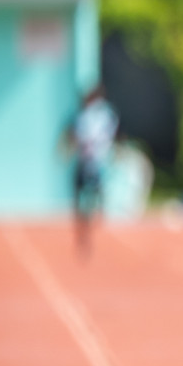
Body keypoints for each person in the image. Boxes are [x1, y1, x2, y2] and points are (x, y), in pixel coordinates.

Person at [67, 84, 118, 257]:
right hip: (93, 161)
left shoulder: (91, 115)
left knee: (86, 194)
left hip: (93, 161)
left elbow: (80, 136)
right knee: (86, 195)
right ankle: (89, 217)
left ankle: (90, 217)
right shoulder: (104, 114)